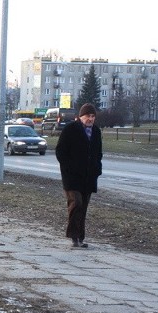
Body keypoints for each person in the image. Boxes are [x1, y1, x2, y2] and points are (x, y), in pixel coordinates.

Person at [55, 103, 102, 248]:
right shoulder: (71, 129)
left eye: (93, 116)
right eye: (88, 116)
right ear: (81, 116)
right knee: (76, 203)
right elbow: (60, 152)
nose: (91, 119)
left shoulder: (96, 131)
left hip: (88, 177)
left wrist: (97, 168)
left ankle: (80, 237)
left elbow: (98, 153)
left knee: (84, 207)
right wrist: (68, 167)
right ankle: (74, 236)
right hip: (72, 177)